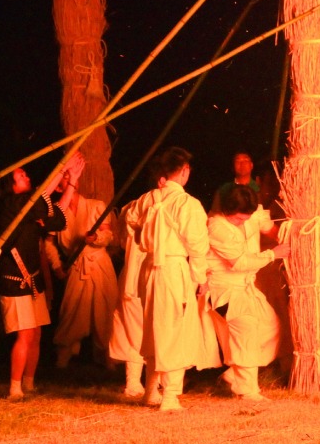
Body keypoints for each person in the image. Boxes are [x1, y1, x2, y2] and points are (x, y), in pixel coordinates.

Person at [133, 146, 217, 411]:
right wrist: (200, 277)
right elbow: (197, 245)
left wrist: (146, 239)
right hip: (172, 270)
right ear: (184, 171)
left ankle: (150, 390)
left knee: (154, 327)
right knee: (174, 329)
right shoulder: (186, 204)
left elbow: (130, 221)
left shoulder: (147, 199)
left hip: (149, 270)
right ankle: (169, 395)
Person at [0, 154, 77, 400]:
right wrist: (62, 171)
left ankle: (29, 383)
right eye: (21, 176)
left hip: (34, 280)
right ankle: (15, 387)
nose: (27, 176)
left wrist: (71, 182)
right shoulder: (12, 205)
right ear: (10, 185)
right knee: (25, 334)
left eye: (25, 173)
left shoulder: (30, 209)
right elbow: (37, 200)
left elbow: (57, 217)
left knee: (36, 334)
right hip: (14, 279)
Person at [206, 185, 289, 401]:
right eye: (237, 219)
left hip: (247, 288)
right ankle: (248, 390)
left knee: (272, 327)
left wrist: (287, 237)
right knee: (247, 330)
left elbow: (270, 228)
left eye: (246, 218)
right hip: (225, 289)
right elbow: (239, 262)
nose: (242, 222)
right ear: (226, 210)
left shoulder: (251, 215)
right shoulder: (216, 226)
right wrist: (273, 254)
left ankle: (235, 375)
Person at [45, 183, 119, 369]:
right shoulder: (56, 212)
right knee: (71, 310)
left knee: (105, 309)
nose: (70, 181)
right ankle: (64, 355)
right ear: (59, 188)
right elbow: (49, 243)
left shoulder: (96, 205)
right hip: (76, 265)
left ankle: (107, 356)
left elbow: (108, 234)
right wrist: (56, 265)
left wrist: (96, 239)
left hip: (99, 262)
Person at [108, 182, 151, 398]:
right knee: (136, 328)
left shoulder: (130, 211)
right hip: (139, 276)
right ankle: (135, 382)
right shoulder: (144, 212)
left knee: (135, 328)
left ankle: (138, 382)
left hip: (136, 275)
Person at [210, 149, 260, 214]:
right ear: (233, 167)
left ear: (251, 165)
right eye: (238, 161)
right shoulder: (224, 189)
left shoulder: (260, 189)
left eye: (246, 160)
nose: (242, 164)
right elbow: (213, 214)